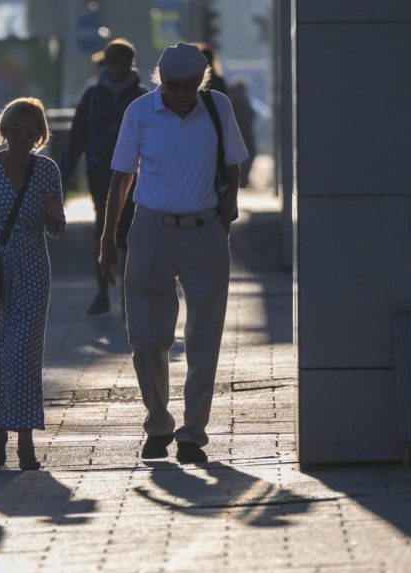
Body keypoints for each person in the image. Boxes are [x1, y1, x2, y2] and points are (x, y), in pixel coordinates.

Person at [99, 43, 248, 464]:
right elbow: (122, 176)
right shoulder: (141, 112)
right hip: (150, 229)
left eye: (186, 87)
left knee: (203, 337)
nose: (178, 95)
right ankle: (158, 421)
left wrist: (226, 212)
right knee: (147, 337)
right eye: (170, 86)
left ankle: (192, 432)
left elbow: (234, 165)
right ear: (159, 80)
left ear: (200, 82)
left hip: (204, 232)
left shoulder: (216, 108)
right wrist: (109, 238)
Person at [0, 97, 65, 470]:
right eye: (17, 127)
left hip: (31, 269)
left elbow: (56, 226)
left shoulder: (47, 170)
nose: (25, 135)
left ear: (40, 134)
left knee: (21, 355)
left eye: (33, 128)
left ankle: (25, 441)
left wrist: (54, 216)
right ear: (4, 130)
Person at [63, 38, 146, 316]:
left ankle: (126, 293)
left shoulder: (141, 96)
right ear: (106, 63)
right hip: (100, 171)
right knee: (104, 228)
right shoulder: (93, 96)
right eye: (114, 64)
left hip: (134, 172)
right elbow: (76, 138)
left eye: (122, 64)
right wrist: (63, 175)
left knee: (129, 232)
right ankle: (102, 292)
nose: (118, 70)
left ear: (129, 64)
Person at [228, 78, 257, 187]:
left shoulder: (241, 101)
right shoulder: (235, 102)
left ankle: (243, 179)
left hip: (244, 133)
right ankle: (242, 180)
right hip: (243, 133)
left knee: (246, 156)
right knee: (246, 156)